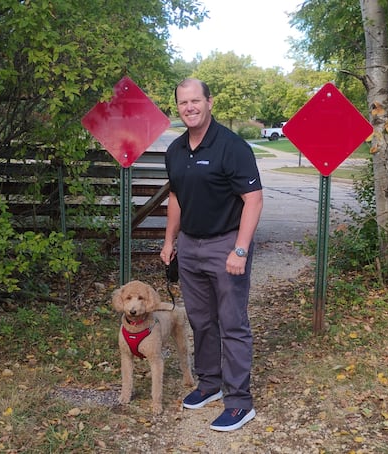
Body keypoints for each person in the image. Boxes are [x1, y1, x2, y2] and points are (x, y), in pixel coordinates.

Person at [160, 78, 263, 432]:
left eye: (195, 101)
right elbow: (175, 197)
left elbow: (253, 199)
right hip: (189, 246)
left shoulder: (232, 147)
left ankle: (239, 401)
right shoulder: (174, 150)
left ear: (209, 102)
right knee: (201, 321)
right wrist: (170, 241)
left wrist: (240, 248)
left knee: (232, 324)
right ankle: (209, 383)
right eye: (183, 102)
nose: (189, 107)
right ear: (178, 107)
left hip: (226, 245)